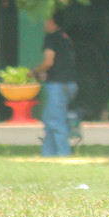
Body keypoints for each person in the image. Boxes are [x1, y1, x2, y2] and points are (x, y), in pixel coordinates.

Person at [31, 13, 78, 157]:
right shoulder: (65, 38)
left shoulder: (51, 38)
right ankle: (48, 154)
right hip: (69, 84)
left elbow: (48, 62)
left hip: (59, 84)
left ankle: (64, 155)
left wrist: (34, 71)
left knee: (56, 122)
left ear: (52, 21)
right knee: (48, 120)